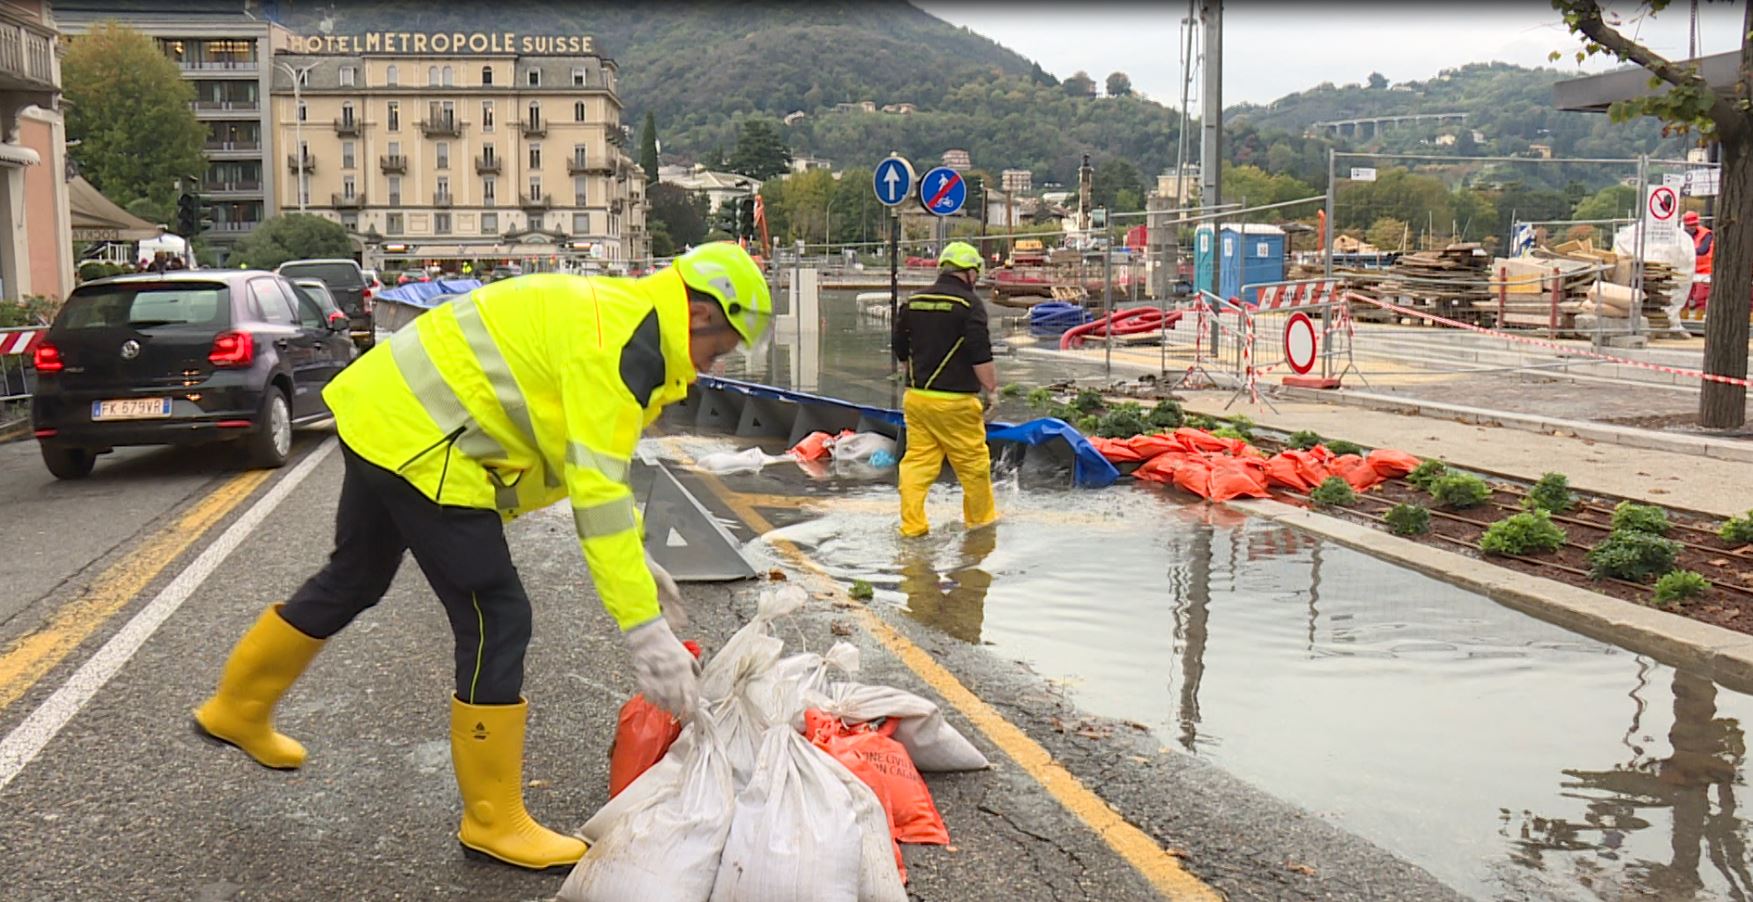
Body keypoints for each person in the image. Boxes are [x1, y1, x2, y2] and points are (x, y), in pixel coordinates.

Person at [192, 242, 772, 871]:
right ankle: (493, 822)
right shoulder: (622, 349)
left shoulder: (624, 320)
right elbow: (597, 492)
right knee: (497, 615)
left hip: (387, 414)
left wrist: (637, 558)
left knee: (354, 577)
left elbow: (595, 471)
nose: (719, 361)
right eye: (725, 342)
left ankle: (237, 707)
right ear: (700, 311)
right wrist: (643, 629)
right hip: (428, 441)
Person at [892, 241, 998, 538]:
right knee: (974, 467)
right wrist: (992, 391)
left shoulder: (913, 302)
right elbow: (980, 353)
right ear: (969, 272)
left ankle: (912, 527)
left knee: (917, 463)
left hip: (917, 400)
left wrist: (908, 367)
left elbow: (900, 345)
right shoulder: (969, 305)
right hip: (956, 403)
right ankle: (981, 527)